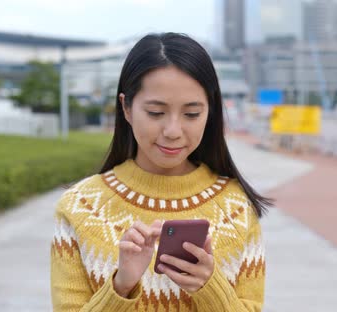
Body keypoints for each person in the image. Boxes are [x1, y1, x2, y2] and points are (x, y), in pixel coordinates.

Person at [50, 32, 271, 311]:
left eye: (191, 114)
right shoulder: (80, 207)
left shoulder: (237, 208)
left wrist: (209, 287)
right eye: (156, 113)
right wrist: (121, 286)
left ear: (209, 113)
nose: (173, 132)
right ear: (126, 108)